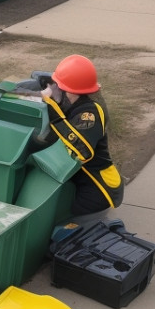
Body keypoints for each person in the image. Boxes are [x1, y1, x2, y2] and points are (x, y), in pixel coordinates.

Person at [41, 54, 124, 226]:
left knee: (66, 237)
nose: (57, 89)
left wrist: (52, 110)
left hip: (97, 189)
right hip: (80, 182)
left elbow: (80, 151)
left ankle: (103, 230)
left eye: (60, 86)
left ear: (72, 90)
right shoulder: (72, 104)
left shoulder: (90, 113)